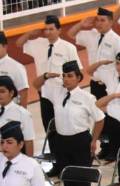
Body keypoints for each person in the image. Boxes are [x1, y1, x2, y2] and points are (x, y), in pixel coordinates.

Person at [32, 60, 104, 186]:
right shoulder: (56, 91)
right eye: (64, 75)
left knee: (81, 181)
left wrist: (94, 140)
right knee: (67, 179)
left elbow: (100, 119)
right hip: (61, 142)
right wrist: (46, 75)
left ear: (78, 78)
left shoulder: (87, 98)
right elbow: (36, 85)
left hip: (81, 141)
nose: (66, 78)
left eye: (70, 75)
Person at [17, 15, 81, 175]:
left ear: (59, 30)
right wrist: (29, 34)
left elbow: (78, 73)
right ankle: (58, 165)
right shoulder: (38, 44)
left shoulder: (68, 48)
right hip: (45, 94)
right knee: (50, 130)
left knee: (65, 129)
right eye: (46, 29)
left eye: (51, 29)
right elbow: (18, 44)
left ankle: (69, 163)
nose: (48, 32)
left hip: (63, 95)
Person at [68, 8, 120, 99]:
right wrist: (81, 25)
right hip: (95, 84)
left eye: (102, 20)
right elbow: (70, 34)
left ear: (111, 22)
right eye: (97, 20)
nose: (99, 23)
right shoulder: (91, 35)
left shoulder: (118, 41)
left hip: (111, 85)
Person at [0, 76, 35, 156]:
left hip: (14, 157)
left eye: (2, 91)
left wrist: (28, 164)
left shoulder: (22, 113)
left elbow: (28, 141)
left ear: (11, 93)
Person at [0, 31, 30, 107]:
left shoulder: (16, 67)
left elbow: (23, 92)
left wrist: (22, 115)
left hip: (9, 113)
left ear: (5, 46)